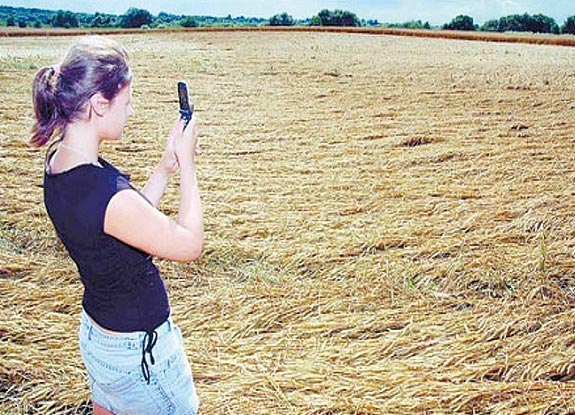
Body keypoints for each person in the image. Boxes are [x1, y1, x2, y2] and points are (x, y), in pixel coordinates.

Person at [30, 36, 203, 415]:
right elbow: (189, 245)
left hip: (99, 337)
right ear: (98, 104)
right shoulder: (103, 192)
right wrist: (188, 165)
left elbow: (123, 222)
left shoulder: (61, 163)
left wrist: (165, 167)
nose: (132, 111)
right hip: (140, 354)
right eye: (127, 101)